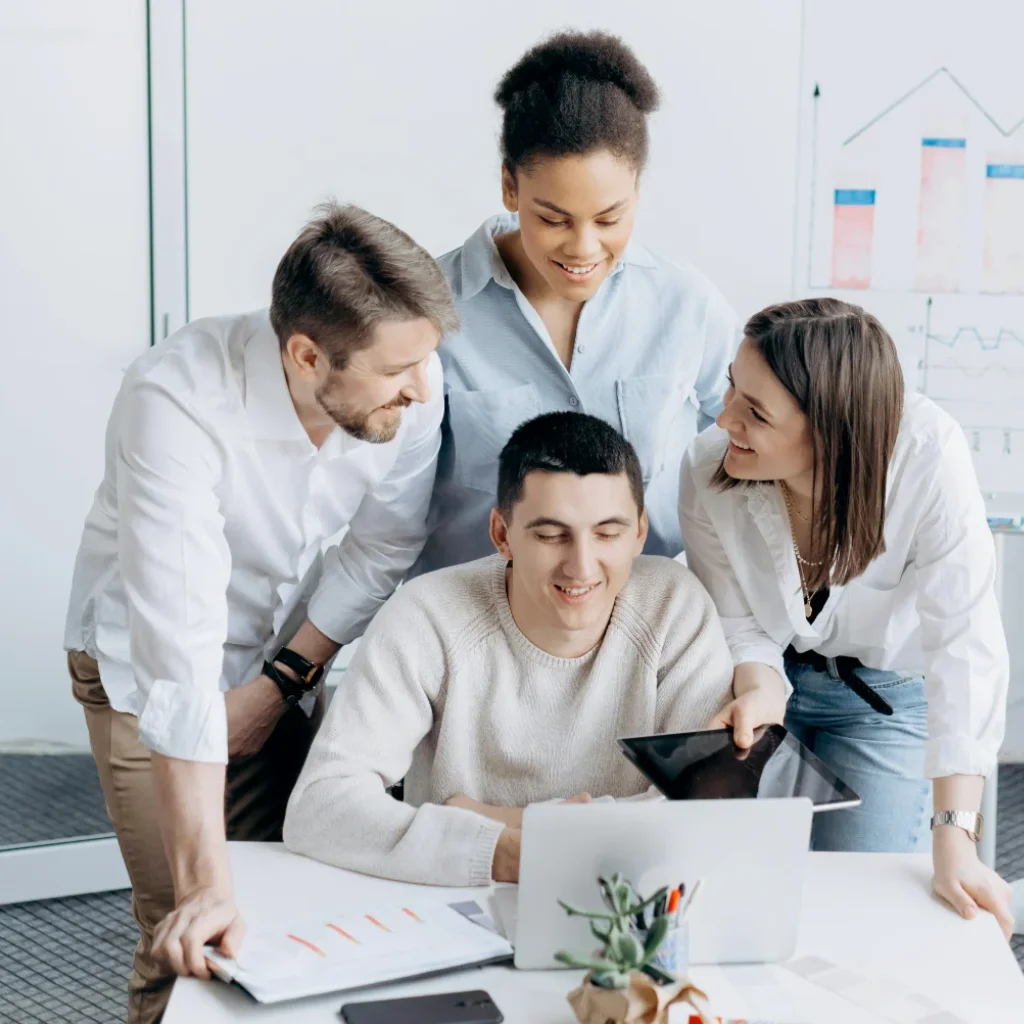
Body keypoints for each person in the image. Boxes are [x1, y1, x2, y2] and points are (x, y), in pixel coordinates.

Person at [63, 202, 458, 1021]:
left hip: (281, 657)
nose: (423, 389)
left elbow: (383, 546)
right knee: (191, 939)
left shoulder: (410, 375)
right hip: (146, 677)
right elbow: (180, 661)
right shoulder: (175, 401)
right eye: (398, 371)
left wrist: (279, 684)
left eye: (428, 361)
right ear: (307, 356)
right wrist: (206, 884)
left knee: (306, 902)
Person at [678, 297, 1015, 938]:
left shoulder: (927, 455)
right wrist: (760, 687)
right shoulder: (707, 466)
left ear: (832, 430)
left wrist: (955, 836)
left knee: (860, 904)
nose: (724, 420)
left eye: (756, 413)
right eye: (731, 389)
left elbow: (963, 643)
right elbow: (739, 621)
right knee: (726, 888)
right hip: (770, 685)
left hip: (887, 701)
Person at [283, 412, 733, 885]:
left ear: (640, 532)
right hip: (446, 907)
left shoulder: (673, 607)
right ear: (502, 534)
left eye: (607, 533)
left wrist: (498, 819)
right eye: (550, 535)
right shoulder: (428, 615)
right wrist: (498, 851)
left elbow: (709, 811)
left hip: (628, 901)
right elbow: (320, 806)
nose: (581, 567)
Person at [411, 30, 739, 575]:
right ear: (509, 188)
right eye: (553, 219)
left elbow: (756, 455)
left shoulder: (688, 307)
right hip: (474, 624)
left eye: (610, 219)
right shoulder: (431, 313)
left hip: (644, 615)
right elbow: (386, 513)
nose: (584, 248)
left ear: (638, 190)